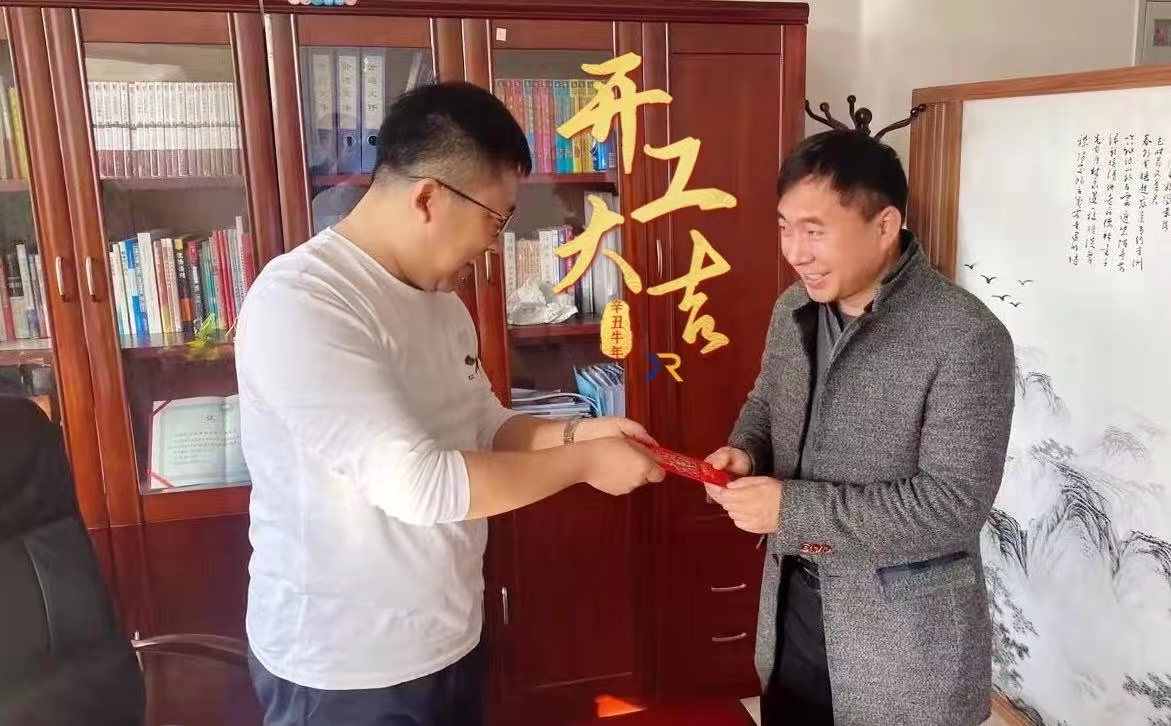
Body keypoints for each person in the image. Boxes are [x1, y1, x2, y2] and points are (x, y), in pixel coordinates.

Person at [236, 82, 664, 726]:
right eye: (497, 220)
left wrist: (587, 434)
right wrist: (585, 465)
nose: (495, 244)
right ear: (428, 198)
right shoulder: (304, 302)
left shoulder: (442, 305)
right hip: (344, 668)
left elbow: (486, 427)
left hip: (447, 636)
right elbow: (419, 485)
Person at [704, 130, 1015, 726]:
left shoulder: (965, 337)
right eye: (784, 227)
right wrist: (746, 450)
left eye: (815, 230)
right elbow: (766, 402)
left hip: (902, 648)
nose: (795, 251)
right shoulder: (792, 309)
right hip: (792, 611)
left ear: (884, 225)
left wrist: (789, 510)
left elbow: (953, 505)